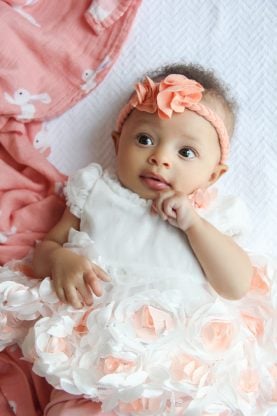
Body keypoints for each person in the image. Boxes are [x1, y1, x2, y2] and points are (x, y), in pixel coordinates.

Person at [0, 63, 276, 416]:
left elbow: (237, 285)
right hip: (95, 361)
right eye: (144, 139)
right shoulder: (96, 191)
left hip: (180, 375)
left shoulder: (212, 216)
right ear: (117, 143)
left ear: (214, 173)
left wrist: (193, 224)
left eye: (186, 152)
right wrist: (59, 259)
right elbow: (42, 255)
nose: (160, 158)